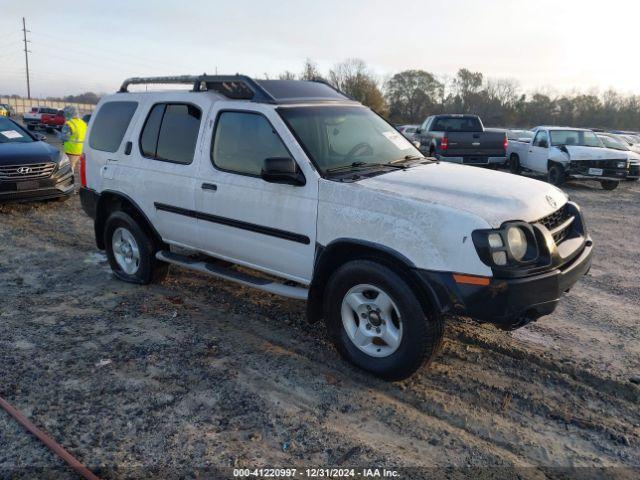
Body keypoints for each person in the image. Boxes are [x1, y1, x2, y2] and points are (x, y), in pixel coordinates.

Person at [60, 106, 87, 178]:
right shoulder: (82, 123)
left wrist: (59, 135)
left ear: (68, 113)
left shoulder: (69, 124)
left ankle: (69, 183)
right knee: (78, 170)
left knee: (70, 169)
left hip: (71, 150)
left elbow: (64, 137)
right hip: (81, 150)